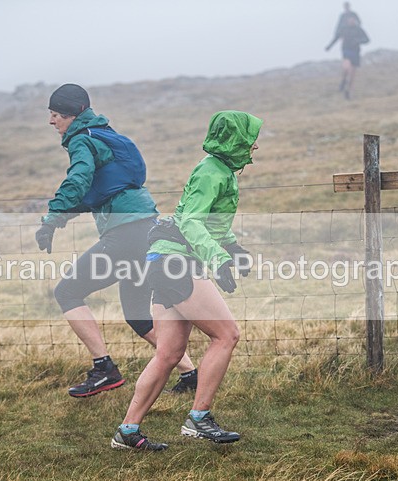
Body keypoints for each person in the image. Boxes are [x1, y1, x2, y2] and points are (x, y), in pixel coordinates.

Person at [111, 110, 262, 451]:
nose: (255, 146)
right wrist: (219, 259)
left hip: (164, 260)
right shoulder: (213, 172)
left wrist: (232, 247)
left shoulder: (219, 170)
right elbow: (192, 222)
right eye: (250, 139)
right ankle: (199, 419)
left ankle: (128, 431)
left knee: (168, 353)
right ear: (235, 140)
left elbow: (206, 223)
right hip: (176, 262)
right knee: (227, 335)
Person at [36, 83, 198, 398]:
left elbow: (78, 180)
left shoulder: (83, 140)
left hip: (126, 234)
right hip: (145, 228)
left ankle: (104, 368)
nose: (51, 121)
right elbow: (102, 192)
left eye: (56, 114)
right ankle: (190, 373)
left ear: (74, 113)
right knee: (138, 315)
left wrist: (52, 217)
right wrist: (61, 218)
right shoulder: (105, 134)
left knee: (67, 291)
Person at [325, 9, 370, 99]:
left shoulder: (359, 29)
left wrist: (358, 41)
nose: (351, 21)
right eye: (350, 20)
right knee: (346, 68)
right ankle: (343, 81)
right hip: (346, 51)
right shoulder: (343, 29)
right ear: (347, 21)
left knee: (352, 74)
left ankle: (348, 91)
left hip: (356, 52)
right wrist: (329, 46)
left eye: (353, 19)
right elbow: (336, 38)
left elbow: (367, 40)